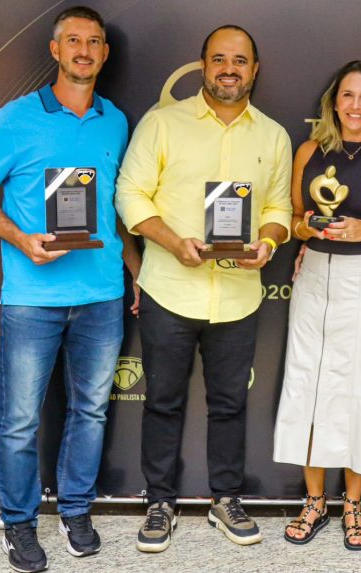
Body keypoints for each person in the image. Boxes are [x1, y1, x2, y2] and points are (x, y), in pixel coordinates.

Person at [0, 7, 140, 572]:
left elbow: (115, 209)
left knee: (90, 412)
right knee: (19, 421)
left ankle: (76, 511)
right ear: (55, 49)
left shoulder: (116, 121)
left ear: (105, 52)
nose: (84, 50)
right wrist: (20, 238)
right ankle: (18, 523)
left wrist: (135, 270)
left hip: (102, 295)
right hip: (32, 298)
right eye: (73, 41)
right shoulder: (17, 117)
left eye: (94, 41)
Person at [115, 24, 292, 552]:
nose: (229, 69)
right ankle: (159, 503)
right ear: (203, 65)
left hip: (238, 294)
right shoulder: (162, 123)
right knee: (162, 403)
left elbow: (279, 207)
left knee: (230, 404)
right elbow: (130, 194)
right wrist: (173, 242)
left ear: (254, 69)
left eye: (239, 60)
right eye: (219, 59)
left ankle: (226, 499)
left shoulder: (273, 136)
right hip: (170, 290)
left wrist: (268, 241)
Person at [272, 60, 361, 550]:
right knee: (309, 384)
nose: (356, 105)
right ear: (334, 102)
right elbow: (294, 218)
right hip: (315, 276)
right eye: (348, 95)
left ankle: (353, 503)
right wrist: (307, 228)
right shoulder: (309, 150)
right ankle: (314, 501)